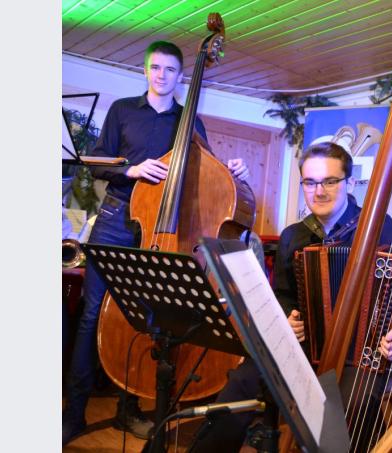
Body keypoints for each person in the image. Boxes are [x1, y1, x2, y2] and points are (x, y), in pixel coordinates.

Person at [62, 40, 251, 445]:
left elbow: (208, 175)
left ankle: (127, 409)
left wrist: (234, 169)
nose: (161, 75)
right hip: (115, 222)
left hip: (159, 234)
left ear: (181, 76)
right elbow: (97, 161)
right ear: (145, 71)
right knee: (93, 316)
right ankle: (74, 413)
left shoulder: (189, 121)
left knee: (143, 320)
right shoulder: (122, 111)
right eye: (155, 68)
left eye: (169, 69)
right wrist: (131, 170)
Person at [189, 142, 392, 453]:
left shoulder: (382, 229)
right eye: (310, 182)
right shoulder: (293, 236)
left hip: (364, 355)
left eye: (330, 181)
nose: (319, 191)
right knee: (244, 381)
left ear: (350, 183)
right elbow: (283, 295)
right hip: (304, 349)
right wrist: (288, 316)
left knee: (351, 405)